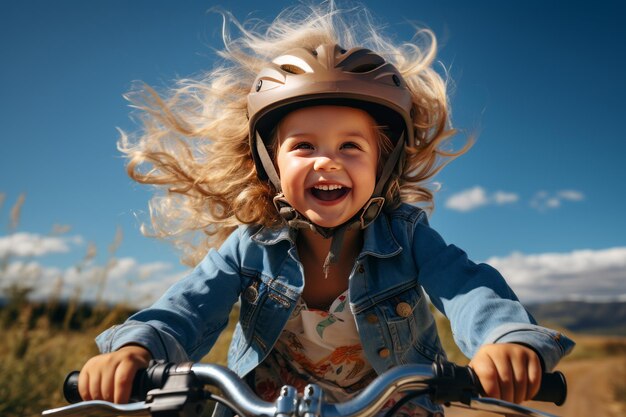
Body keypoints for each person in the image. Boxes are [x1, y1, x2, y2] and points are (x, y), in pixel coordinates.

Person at [78, 4, 574, 416]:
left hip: (394, 407)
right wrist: (136, 348)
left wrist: (507, 339)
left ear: (385, 166)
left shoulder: (408, 236)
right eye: (303, 145)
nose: (327, 160)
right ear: (270, 165)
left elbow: (469, 288)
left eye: (351, 146)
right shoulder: (249, 245)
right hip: (268, 405)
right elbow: (186, 307)